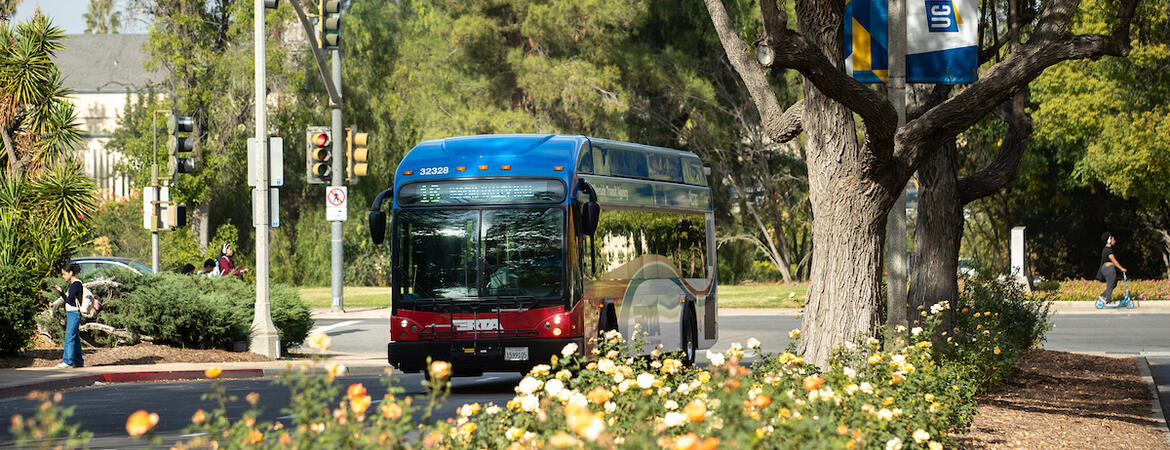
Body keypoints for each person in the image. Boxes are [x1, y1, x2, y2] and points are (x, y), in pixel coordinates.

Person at [51, 262, 84, 368]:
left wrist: (61, 293)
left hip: (74, 313)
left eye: (64, 274)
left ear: (70, 273)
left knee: (69, 337)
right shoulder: (74, 284)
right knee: (75, 338)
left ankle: (68, 361)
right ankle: (78, 361)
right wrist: (61, 292)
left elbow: (69, 301)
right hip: (72, 313)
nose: (63, 276)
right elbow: (70, 300)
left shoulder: (76, 284)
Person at [1097, 232, 1128, 303]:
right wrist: (1121, 268)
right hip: (1109, 269)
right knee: (1111, 283)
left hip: (1107, 269)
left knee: (1113, 283)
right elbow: (1114, 261)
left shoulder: (1106, 249)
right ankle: (1108, 300)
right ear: (1109, 240)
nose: (1114, 239)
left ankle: (1103, 295)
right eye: (1112, 238)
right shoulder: (1108, 250)